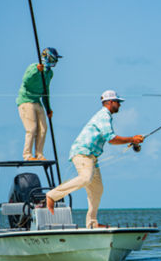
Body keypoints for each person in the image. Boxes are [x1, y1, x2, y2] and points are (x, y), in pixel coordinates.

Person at [45, 90, 144, 228]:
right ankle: (52, 196)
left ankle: (92, 223)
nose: (120, 105)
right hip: (83, 153)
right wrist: (132, 138)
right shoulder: (104, 115)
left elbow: (112, 139)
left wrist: (130, 140)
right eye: (118, 102)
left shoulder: (106, 116)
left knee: (97, 188)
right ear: (110, 102)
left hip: (91, 157)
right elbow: (111, 139)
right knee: (86, 178)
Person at [16, 47, 62, 161]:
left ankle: (39, 154)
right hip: (26, 101)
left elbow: (46, 90)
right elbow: (26, 81)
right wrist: (36, 70)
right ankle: (27, 155)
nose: (55, 61)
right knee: (31, 129)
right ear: (47, 57)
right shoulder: (33, 67)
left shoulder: (49, 73)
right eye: (53, 58)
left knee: (43, 128)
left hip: (37, 101)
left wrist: (48, 108)